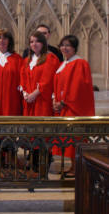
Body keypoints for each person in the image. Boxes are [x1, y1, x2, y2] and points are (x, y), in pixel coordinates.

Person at [52, 35, 95, 177]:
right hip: (64, 107)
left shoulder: (80, 63)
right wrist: (56, 101)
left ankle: (77, 168)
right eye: (62, 45)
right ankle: (72, 166)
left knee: (74, 138)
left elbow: (78, 87)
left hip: (73, 108)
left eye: (68, 45)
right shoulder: (63, 64)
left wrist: (64, 102)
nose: (64, 48)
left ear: (74, 47)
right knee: (68, 138)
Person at [20, 31, 60, 116]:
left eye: (37, 41)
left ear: (43, 43)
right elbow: (22, 79)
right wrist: (25, 94)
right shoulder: (26, 60)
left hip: (42, 100)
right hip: (28, 101)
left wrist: (33, 95)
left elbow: (47, 81)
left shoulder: (50, 58)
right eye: (31, 42)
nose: (34, 44)